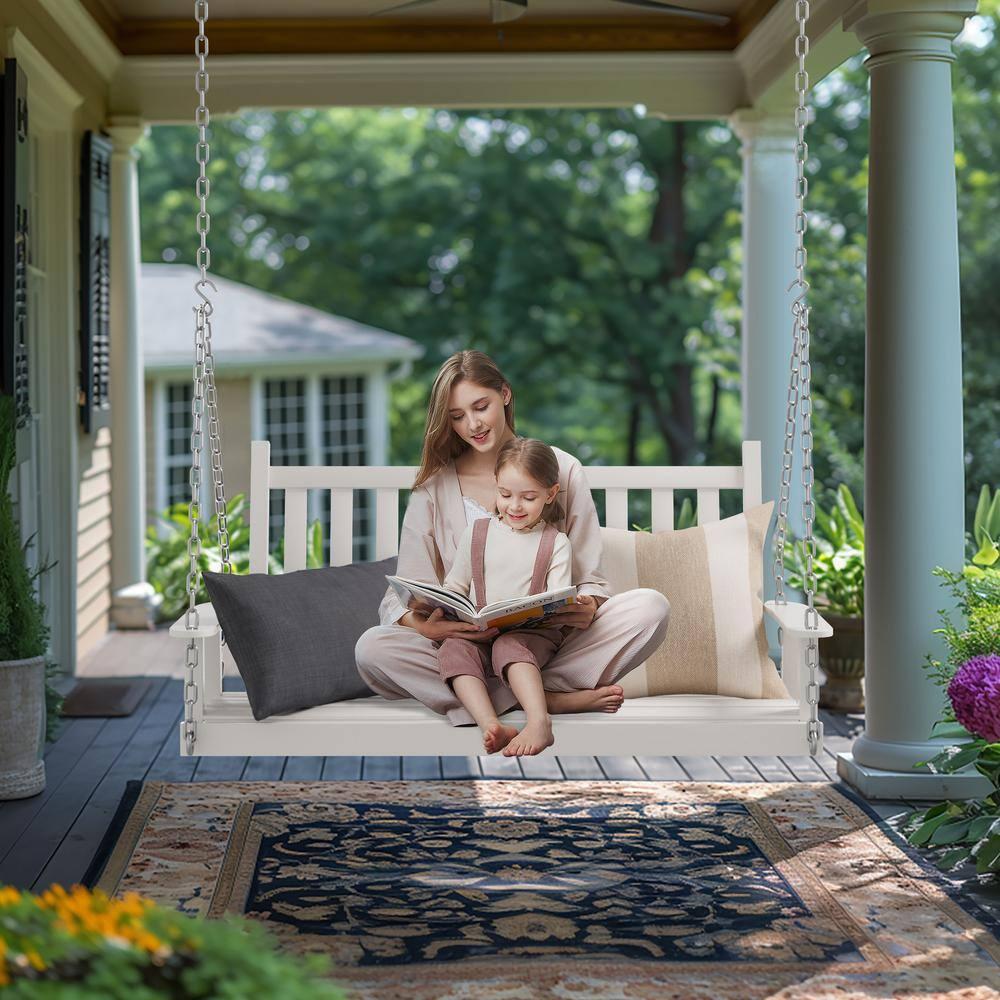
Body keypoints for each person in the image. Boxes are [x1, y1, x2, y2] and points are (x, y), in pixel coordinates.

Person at [354, 349, 670, 735]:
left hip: (546, 644)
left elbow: (591, 578)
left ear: (504, 394)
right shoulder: (434, 488)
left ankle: (495, 700)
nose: (472, 424)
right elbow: (402, 596)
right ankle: (541, 700)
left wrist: (588, 606)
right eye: (457, 417)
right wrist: (428, 629)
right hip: (465, 645)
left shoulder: (562, 469)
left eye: (480, 406)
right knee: (373, 648)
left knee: (650, 608)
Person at [437, 437, 574, 756]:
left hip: (530, 637)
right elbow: (455, 585)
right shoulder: (478, 533)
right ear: (495, 484)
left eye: (528, 497)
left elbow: (558, 598)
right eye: (505, 494)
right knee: (453, 650)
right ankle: (491, 725)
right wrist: (443, 603)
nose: (515, 506)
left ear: (550, 494)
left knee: (507, 645)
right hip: (481, 632)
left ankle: (540, 722)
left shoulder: (555, 542)